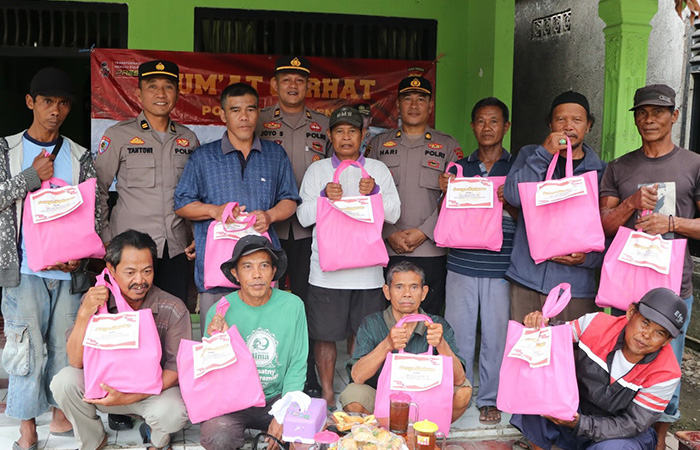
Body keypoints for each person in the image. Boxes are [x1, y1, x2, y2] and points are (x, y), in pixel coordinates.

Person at [0, 67, 101, 450]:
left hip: (68, 271)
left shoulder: (79, 156)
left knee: (64, 345)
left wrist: (80, 258)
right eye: (46, 102)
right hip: (23, 269)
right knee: (26, 348)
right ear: (30, 102)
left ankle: (61, 416)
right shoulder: (5, 150)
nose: (55, 110)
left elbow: (95, 211)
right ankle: (27, 427)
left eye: (62, 103)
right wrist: (29, 177)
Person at [599, 83, 700, 450]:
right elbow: (603, 225)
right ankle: (613, 431)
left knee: (667, 367)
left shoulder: (693, 164)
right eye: (642, 112)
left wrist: (671, 223)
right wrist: (629, 204)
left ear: (674, 115)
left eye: (658, 112)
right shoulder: (619, 167)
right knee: (619, 360)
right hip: (627, 288)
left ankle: (657, 440)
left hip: (674, 288)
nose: (649, 119)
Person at [297, 106, 401, 406]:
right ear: (329, 135)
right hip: (326, 272)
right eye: (339, 131)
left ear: (363, 136)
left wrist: (376, 193)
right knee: (324, 336)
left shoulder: (377, 170)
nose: (346, 137)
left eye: (352, 131)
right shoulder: (318, 171)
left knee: (362, 335)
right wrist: (323, 198)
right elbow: (303, 218)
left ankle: (357, 392)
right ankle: (328, 392)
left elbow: (395, 214)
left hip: (368, 273)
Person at [50, 230, 191, 450]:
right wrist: (84, 314)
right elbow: (76, 362)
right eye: (130, 272)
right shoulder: (96, 301)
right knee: (64, 382)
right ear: (111, 269)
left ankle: (156, 439)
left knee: (174, 412)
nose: (140, 280)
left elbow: (177, 368)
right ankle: (93, 440)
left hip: (151, 394)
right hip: (104, 390)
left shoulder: (172, 307)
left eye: (147, 271)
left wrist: (130, 397)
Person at [174, 82, 300, 322]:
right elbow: (182, 203)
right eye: (235, 110)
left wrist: (270, 215)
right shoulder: (203, 157)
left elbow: (290, 200)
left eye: (251, 110)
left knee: (264, 346)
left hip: (261, 271)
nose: (244, 117)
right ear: (223, 114)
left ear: (258, 113)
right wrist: (215, 210)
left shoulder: (275, 155)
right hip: (216, 272)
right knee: (218, 347)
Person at [511, 288, 686, 450]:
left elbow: (633, 424)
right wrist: (537, 324)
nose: (646, 335)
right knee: (535, 395)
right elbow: (551, 336)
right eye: (645, 323)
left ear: (666, 341)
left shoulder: (667, 374)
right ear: (631, 312)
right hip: (577, 411)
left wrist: (579, 424)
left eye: (659, 333)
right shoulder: (595, 324)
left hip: (620, 434)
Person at [438, 97, 516, 425]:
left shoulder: (518, 169)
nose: (487, 127)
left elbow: (531, 217)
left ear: (506, 127)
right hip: (461, 263)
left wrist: (509, 200)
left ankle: (489, 398)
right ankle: (460, 391)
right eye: (481, 121)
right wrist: (446, 189)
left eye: (494, 121)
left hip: (502, 265)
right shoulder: (458, 168)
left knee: (496, 336)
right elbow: (448, 213)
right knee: (457, 333)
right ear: (472, 127)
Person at [95, 60, 199, 305]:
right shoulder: (118, 135)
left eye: (168, 87)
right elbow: (97, 188)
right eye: (152, 87)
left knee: (173, 318)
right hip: (129, 251)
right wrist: (107, 237)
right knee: (127, 324)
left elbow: (196, 193)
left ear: (177, 93)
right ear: (139, 93)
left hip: (175, 248)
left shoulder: (188, 138)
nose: (161, 94)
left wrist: (197, 235)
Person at [256, 55, 328, 397]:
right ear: (275, 85)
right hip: (266, 228)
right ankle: (265, 368)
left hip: (308, 230)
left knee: (305, 302)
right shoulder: (259, 120)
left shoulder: (325, 126)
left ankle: (308, 374)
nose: (293, 85)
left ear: (308, 85)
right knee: (261, 298)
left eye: (299, 79)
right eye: (286, 79)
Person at [503, 91, 606, 323]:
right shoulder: (530, 154)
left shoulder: (600, 172)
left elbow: (609, 230)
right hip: (527, 281)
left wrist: (586, 260)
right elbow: (513, 196)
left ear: (588, 126)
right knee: (526, 353)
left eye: (577, 120)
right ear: (550, 123)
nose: (568, 126)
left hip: (575, 288)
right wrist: (543, 154)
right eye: (560, 120)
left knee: (571, 356)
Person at [201, 235, 308, 450]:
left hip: (277, 398)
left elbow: (297, 364)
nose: (257, 275)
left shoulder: (293, 306)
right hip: (234, 401)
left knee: (306, 436)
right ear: (235, 274)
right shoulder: (220, 311)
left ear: (274, 272)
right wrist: (218, 343)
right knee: (218, 436)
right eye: (247, 267)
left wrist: (283, 412)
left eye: (264, 266)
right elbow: (212, 375)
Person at [368, 75, 462, 315]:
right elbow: (368, 196)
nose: (413, 105)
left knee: (427, 321)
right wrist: (389, 234)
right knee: (388, 320)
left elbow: (458, 198)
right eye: (407, 99)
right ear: (398, 105)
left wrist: (425, 232)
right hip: (388, 248)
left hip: (430, 248)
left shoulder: (448, 146)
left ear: (430, 106)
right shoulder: (378, 144)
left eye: (421, 99)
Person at [339, 261, 471, 422]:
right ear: (387, 292)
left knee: (464, 391)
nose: (407, 293)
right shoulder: (371, 323)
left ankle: (427, 431)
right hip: (384, 401)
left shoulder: (437, 325)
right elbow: (357, 377)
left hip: (428, 400)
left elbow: (459, 379)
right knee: (352, 395)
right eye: (399, 287)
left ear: (424, 293)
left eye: (414, 287)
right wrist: (387, 344)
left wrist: (441, 344)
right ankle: (387, 436)